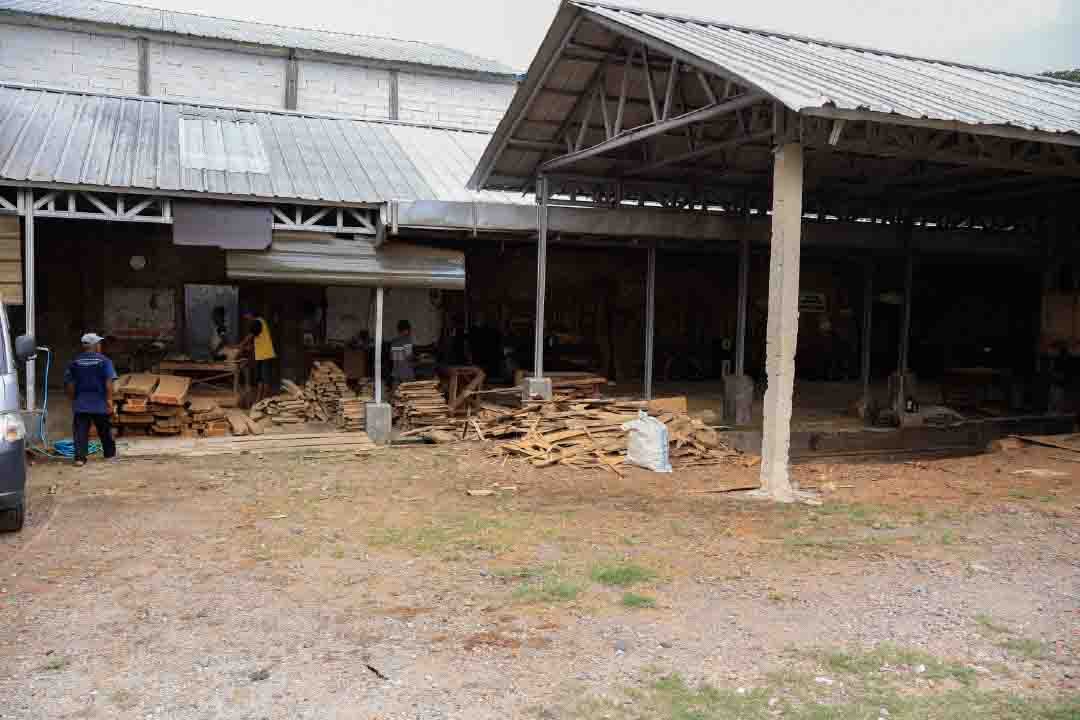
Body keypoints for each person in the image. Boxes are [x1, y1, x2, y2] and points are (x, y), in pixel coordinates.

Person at [64, 332, 117, 467]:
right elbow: (109, 382)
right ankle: (109, 455)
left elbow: (70, 384)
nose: (100, 346)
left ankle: (80, 459)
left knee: (80, 432)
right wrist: (110, 400)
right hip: (100, 403)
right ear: (95, 346)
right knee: (105, 430)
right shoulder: (105, 361)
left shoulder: (75, 362)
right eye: (99, 343)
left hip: (81, 403)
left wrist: (73, 399)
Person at [241, 309, 276, 403]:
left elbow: (250, 336)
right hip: (260, 354)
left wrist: (241, 345)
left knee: (265, 379)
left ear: (251, 315)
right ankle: (258, 400)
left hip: (265, 354)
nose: (246, 318)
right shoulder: (259, 322)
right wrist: (250, 347)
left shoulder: (257, 322)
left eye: (246, 316)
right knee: (260, 379)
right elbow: (257, 338)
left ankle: (264, 401)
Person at [390, 319, 415, 385]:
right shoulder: (407, 341)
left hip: (396, 373)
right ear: (406, 330)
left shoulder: (394, 342)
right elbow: (409, 357)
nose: (410, 332)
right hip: (406, 373)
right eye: (409, 330)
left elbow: (393, 358)